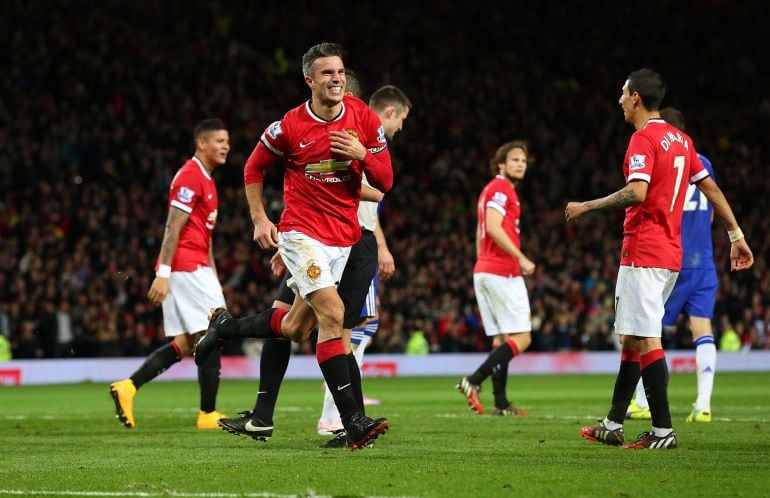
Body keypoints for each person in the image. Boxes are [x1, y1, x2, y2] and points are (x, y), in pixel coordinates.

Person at [194, 42, 394, 451]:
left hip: (343, 238)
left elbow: (386, 181)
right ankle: (351, 421)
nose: (336, 79)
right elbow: (252, 168)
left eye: (340, 72)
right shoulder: (288, 127)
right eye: (327, 73)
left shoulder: (364, 119)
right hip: (302, 233)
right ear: (310, 81)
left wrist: (362, 155)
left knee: (296, 327)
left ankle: (225, 327)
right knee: (335, 315)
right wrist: (260, 220)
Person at [566, 69, 753, 449]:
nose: (618, 100)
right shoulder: (683, 140)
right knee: (633, 336)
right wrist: (736, 235)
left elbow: (636, 192)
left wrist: (588, 206)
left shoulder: (642, 139)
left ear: (635, 97)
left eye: (622, 93)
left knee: (646, 338)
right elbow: (711, 188)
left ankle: (663, 431)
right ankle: (614, 422)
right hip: (670, 254)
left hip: (644, 250)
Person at [249, 78, 410, 448]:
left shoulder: (360, 139)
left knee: (297, 325)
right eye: (401, 119)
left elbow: (370, 189)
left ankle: (268, 405)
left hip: (329, 239)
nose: (401, 127)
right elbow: (312, 186)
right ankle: (342, 418)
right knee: (342, 325)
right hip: (338, 241)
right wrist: (291, 238)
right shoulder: (348, 129)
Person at [109, 118, 230, 429]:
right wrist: (162, 272)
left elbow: (207, 237)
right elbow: (172, 226)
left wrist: (214, 276)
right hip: (186, 266)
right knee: (214, 333)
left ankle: (128, 387)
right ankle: (207, 414)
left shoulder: (207, 179)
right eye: (219, 141)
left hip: (197, 266)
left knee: (188, 342)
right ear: (202, 144)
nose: (226, 146)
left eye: (227, 141)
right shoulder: (190, 176)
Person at [626, 107, 719, 423]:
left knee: (647, 329)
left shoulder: (664, 157)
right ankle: (703, 404)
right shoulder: (703, 162)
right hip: (703, 261)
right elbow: (713, 207)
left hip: (671, 257)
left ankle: (642, 401)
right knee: (702, 329)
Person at [456, 141, 534, 417]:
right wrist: (521, 257)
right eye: (514, 160)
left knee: (503, 338)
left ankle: (500, 403)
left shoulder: (490, 190)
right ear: (501, 163)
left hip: (486, 269)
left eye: (523, 161)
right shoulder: (501, 189)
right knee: (523, 337)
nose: (520, 164)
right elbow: (492, 226)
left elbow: (481, 234)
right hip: (502, 271)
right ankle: (473, 380)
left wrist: (482, 263)